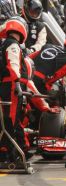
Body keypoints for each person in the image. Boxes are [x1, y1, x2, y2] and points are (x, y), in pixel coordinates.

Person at [28, 35, 66, 130]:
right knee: (49, 104)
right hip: (39, 81)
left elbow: (30, 57)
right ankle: (37, 129)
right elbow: (56, 76)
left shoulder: (48, 46)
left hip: (27, 74)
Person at [0, 16, 30, 161]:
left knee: (7, 120)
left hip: (5, 85)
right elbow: (13, 65)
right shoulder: (13, 45)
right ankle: (10, 154)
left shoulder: (4, 44)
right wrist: (17, 83)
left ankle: (10, 151)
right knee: (10, 120)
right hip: (12, 86)